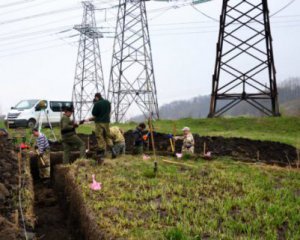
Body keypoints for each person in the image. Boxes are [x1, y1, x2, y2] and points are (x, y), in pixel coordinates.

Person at [85, 93, 116, 160]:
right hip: (107, 122)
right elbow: (108, 112)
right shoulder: (108, 102)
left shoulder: (97, 103)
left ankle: (102, 152)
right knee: (107, 136)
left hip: (99, 122)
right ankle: (113, 150)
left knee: (99, 136)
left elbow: (94, 113)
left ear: (96, 97)